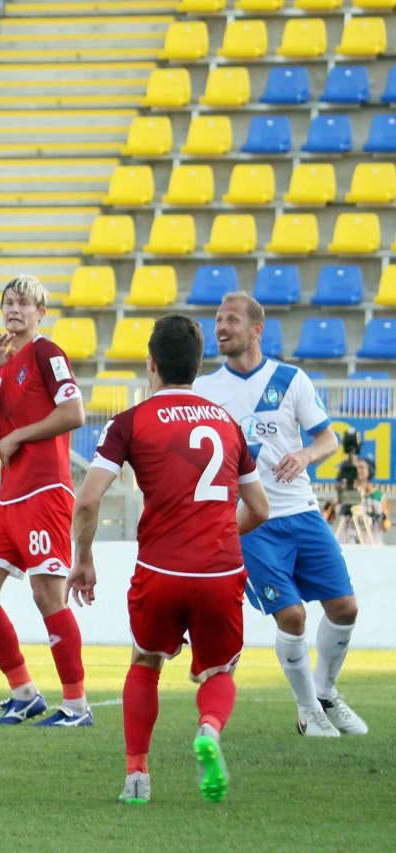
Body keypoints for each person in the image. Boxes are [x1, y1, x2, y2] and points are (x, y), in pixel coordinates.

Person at [67, 314, 270, 806]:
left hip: (161, 570)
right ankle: (209, 728)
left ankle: (137, 775)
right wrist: (219, 531)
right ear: (198, 366)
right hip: (220, 570)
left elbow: (88, 499)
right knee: (219, 672)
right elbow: (260, 509)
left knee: (146, 661)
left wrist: (83, 559)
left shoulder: (130, 422)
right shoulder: (226, 423)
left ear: (151, 364)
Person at [194, 293, 368, 737]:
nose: (221, 328)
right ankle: (308, 711)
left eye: (231, 320)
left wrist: (305, 455)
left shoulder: (290, 379)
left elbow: (327, 439)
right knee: (292, 616)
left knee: (345, 608)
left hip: (302, 512)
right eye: (218, 320)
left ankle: (325, 693)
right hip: (251, 521)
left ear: (257, 329)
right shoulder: (205, 390)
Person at [0, 275, 89, 726]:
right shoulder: (3, 362)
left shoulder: (46, 353)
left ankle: (76, 705)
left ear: (41, 313)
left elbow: (74, 413)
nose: (14, 309)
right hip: (9, 497)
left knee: (47, 594)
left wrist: (19, 435)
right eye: (8, 303)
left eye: (24, 303)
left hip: (45, 490)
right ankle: (24, 693)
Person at [324, 456, 390, 545]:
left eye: (361, 467)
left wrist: (379, 517)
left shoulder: (378, 497)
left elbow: (386, 527)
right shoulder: (343, 495)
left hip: (371, 545)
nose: (358, 470)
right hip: (347, 545)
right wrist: (334, 504)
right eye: (355, 468)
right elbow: (326, 519)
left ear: (370, 470)